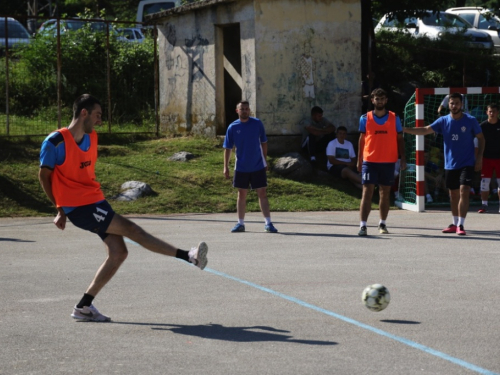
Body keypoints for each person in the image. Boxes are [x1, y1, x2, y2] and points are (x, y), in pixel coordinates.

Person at [38, 94, 208, 322]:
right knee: (132, 229)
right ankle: (190, 256)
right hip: (79, 207)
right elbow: (44, 176)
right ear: (84, 113)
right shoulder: (55, 142)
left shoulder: (92, 138)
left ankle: (83, 307)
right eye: (98, 115)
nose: (100, 120)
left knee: (119, 253)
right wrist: (59, 209)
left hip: (94, 201)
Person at [404, 93, 485, 235]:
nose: (454, 106)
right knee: (453, 194)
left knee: (464, 191)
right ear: (448, 104)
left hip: (467, 163)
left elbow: (481, 138)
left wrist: (479, 158)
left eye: (457, 103)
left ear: (462, 105)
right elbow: (425, 130)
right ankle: (454, 223)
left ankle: (461, 225)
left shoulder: (471, 120)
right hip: (450, 164)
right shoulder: (443, 120)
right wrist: (404, 129)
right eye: (452, 103)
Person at [357, 88, 407, 236]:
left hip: (388, 161)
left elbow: (400, 139)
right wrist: (359, 159)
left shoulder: (394, 117)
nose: (379, 101)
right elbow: (362, 139)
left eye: (382, 99)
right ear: (372, 100)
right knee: (367, 192)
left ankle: (382, 223)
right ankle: (363, 226)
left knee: (385, 193)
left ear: (386, 101)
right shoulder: (365, 118)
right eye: (376, 99)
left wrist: (402, 157)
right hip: (370, 161)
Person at [223, 100, 278, 233]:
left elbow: (264, 142)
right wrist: (226, 166)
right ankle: (240, 223)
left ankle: (268, 223)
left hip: (258, 165)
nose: (245, 111)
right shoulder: (232, 127)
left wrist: (264, 161)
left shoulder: (257, 123)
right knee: (241, 194)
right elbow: (228, 148)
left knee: (262, 193)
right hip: (241, 167)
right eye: (242, 109)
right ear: (237, 111)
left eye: (247, 109)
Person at [478, 103, 500, 213]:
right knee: (484, 182)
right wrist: (478, 158)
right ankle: (484, 205)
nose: (492, 113)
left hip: (499, 159)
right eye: (490, 111)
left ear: (498, 112)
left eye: (494, 111)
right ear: (487, 112)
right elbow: (477, 143)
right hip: (486, 158)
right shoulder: (482, 126)